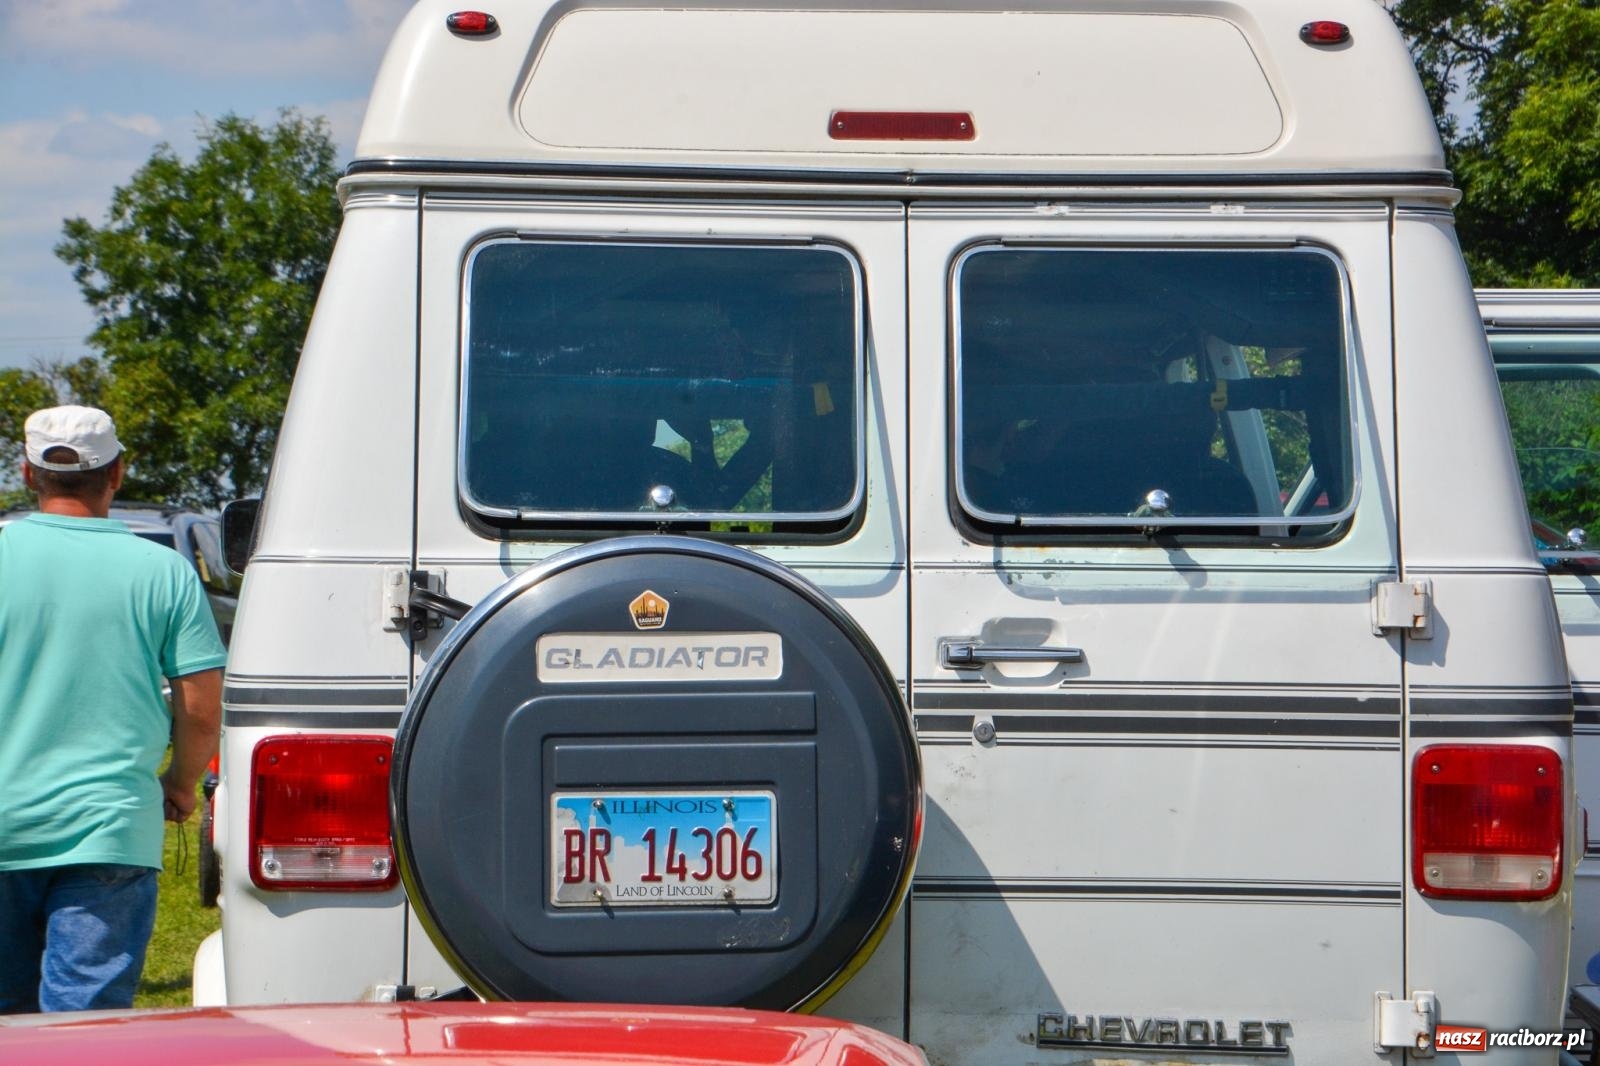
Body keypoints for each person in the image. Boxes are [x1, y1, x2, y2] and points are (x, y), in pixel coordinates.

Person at [0, 405, 226, 1013]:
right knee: (85, 1027)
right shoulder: (165, 572)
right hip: (110, 827)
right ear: (118, 473)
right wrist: (180, 786)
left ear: (27, 472)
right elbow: (202, 707)